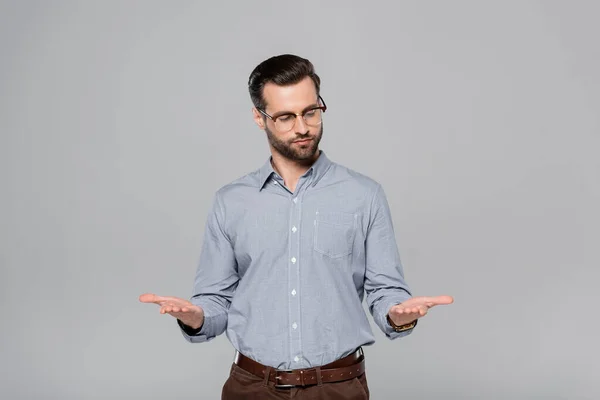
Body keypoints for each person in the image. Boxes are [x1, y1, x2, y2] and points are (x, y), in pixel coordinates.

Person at [140, 54, 454, 399]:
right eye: (286, 117)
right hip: (251, 387)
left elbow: (385, 291)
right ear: (260, 119)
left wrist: (399, 314)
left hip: (338, 387)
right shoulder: (230, 202)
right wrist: (197, 315)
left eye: (311, 112)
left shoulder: (364, 195)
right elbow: (216, 300)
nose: (302, 127)